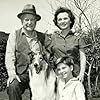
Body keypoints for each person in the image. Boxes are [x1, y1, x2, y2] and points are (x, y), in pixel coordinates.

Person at [5, 4, 49, 100]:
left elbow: (53, 50)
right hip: (22, 74)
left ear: (36, 21)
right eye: (26, 20)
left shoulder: (42, 37)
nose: (29, 22)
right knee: (13, 86)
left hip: (39, 74)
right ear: (21, 21)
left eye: (32, 20)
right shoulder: (14, 35)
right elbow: (9, 56)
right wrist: (12, 73)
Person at [47, 7, 86, 82]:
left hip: (75, 75)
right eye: (60, 19)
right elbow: (47, 56)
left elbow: (83, 57)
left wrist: (82, 73)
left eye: (65, 18)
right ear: (57, 22)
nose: (62, 21)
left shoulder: (78, 37)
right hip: (58, 76)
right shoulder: (52, 38)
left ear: (70, 20)